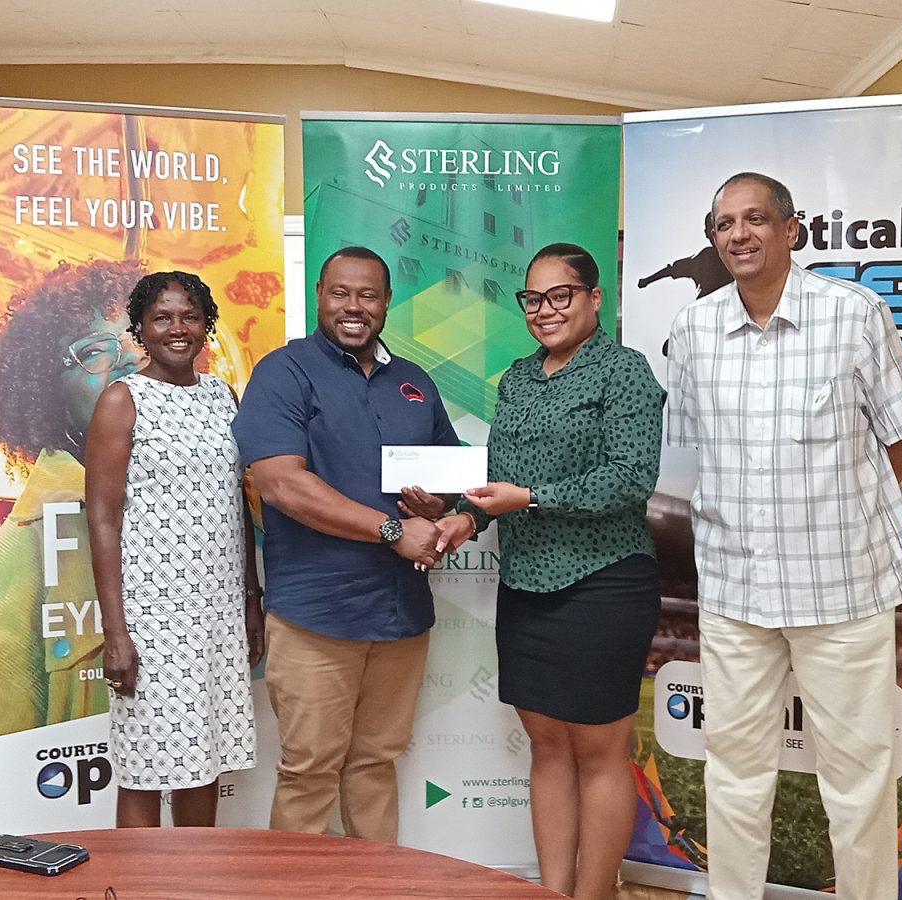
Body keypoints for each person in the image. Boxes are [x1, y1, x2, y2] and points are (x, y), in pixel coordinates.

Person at [665, 173, 902, 900]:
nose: (738, 234)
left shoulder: (855, 313)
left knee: (858, 778)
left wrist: (839, 508)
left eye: (755, 219)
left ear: (791, 229)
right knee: (736, 769)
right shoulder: (693, 329)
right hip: (734, 593)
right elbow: (695, 451)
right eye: (724, 224)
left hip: (842, 587)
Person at [436, 243, 664, 900]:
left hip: (604, 583)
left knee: (598, 753)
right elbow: (499, 481)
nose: (544, 310)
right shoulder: (516, 378)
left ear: (595, 298)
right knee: (546, 748)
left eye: (560, 295)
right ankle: (554, 893)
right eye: (533, 299)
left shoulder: (623, 372)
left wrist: (530, 500)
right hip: (527, 585)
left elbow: (630, 477)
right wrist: (464, 518)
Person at [231, 246, 458, 842]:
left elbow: (455, 480)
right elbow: (280, 483)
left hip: (400, 616)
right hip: (317, 617)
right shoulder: (284, 371)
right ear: (320, 296)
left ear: (387, 302)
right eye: (340, 293)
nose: (354, 307)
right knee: (309, 773)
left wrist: (443, 508)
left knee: (375, 766)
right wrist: (391, 530)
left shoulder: (414, 381)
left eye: (368, 295)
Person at [85, 271, 263, 827]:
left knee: (204, 757)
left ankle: (195, 882)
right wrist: (115, 632)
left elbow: (236, 503)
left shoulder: (220, 394)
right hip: (152, 618)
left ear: (206, 325)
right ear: (140, 327)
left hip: (217, 611)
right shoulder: (122, 400)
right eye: (162, 317)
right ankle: (135, 887)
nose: (177, 328)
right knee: (145, 765)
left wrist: (251, 599)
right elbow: (102, 517)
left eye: (189, 316)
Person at [0, 259, 146, 742]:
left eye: (139, 337)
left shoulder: (226, 491)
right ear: (46, 390)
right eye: (94, 350)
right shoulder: (28, 545)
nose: (127, 357)